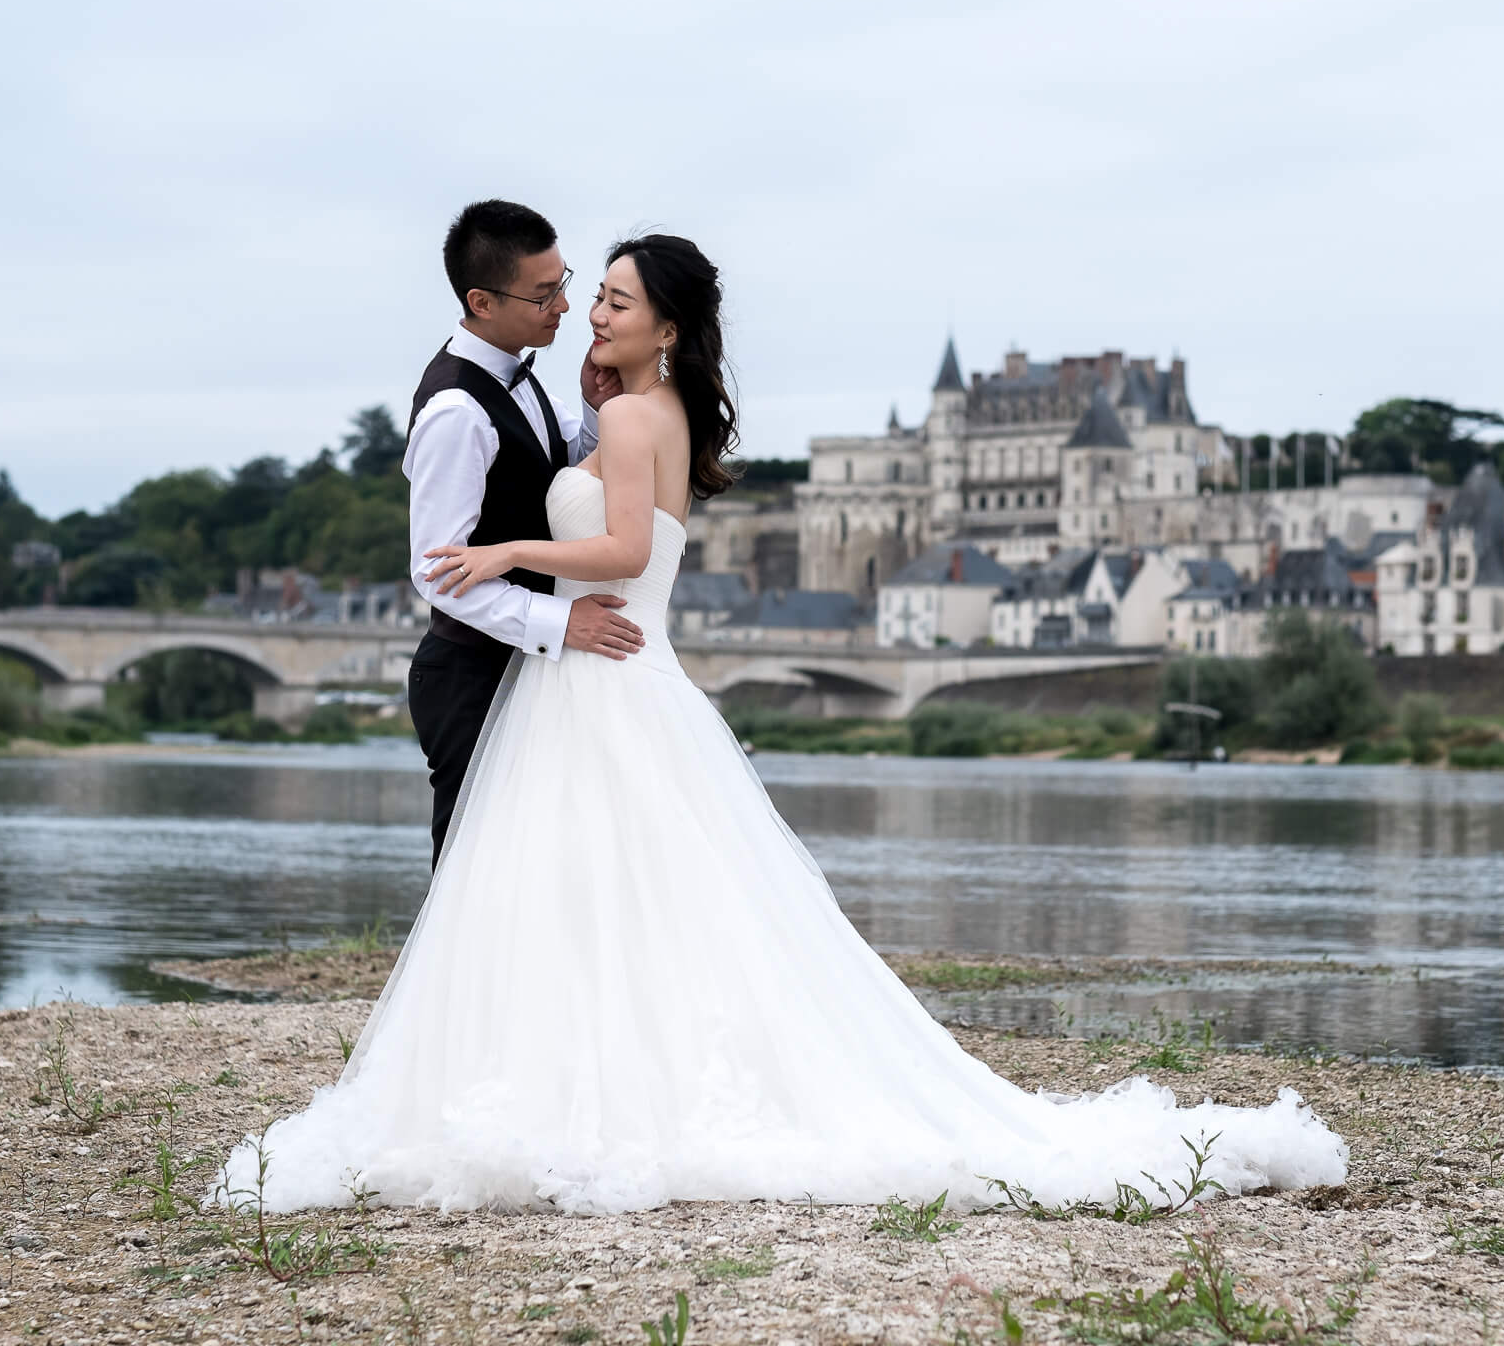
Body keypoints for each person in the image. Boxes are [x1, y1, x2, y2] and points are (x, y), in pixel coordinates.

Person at [215, 233, 1346, 1215]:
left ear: (663, 326)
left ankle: (573, 1091)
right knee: (612, 898)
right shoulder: (625, 412)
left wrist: (508, 549)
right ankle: (574, 1080)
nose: (584, 313)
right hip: (605, 673)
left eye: (608, 299)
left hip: (602, 674)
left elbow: (617, 553)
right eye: (577, 294)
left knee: (580, 893)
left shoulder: (629, 420)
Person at [401, 200, 646, 866]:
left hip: (522, 662)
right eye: (544, 295)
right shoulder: (456, 409)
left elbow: (569, 473)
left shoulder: (522, 381)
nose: (565, 307)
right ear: (481, 300)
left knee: (533, 862)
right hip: (471, 673)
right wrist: (562, 622)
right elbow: (440, 574)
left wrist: (598, 412)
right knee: (471, 869)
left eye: (563, 283)